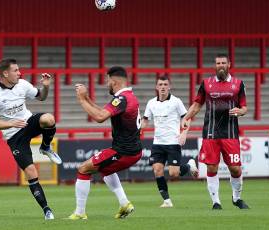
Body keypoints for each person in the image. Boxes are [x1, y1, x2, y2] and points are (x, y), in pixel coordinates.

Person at [0, 58, 62, 220]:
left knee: (49, 118)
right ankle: (47, 210)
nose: (19, 73)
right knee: (31, 171)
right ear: (5, 73)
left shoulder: (22, 84)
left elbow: (41, 97)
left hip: (27, 123)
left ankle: (45, 147)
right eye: (16, 70)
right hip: (13, 135)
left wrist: (46, 86)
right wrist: (10, 123)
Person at [68, 66, 143, 220]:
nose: (107, 83)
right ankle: (124, 204)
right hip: (132, 150)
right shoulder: (128, 96)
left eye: (108, 80)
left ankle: (80, 213)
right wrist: (87, 98)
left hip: (124, 152)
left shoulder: (121, 99)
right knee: (106, 169)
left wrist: (81, 99)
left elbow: (100, 117)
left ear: (114, 80)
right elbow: (104, 112)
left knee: (83, 169)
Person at [181, 54, 250, 210]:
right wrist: (186, 117)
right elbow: (197, 105)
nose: (220, 65)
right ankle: (216, 202)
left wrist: (240, 111)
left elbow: (245, 107)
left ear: (229, 64)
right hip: (211, 132)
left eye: (223, 63)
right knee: (212, 167)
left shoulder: (238, 84)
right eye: (218, 63)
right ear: (215, 65)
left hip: (230, 133)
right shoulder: (206, 84)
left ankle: (236, 198)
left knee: (235, 168)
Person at [141, 75, 199, 208]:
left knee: (174, 173)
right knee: (157, 170)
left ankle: (189, 166)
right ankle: (167, 201)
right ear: (156, 87)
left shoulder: (176, 102)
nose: (163, 87)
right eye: (160, 85)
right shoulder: (151, 103)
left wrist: (184, 133)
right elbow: (145, 121)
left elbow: (187, 118)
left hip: (173, 142)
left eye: (165, 84)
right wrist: (137, 128)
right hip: (158, 143)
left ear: (169, 86)